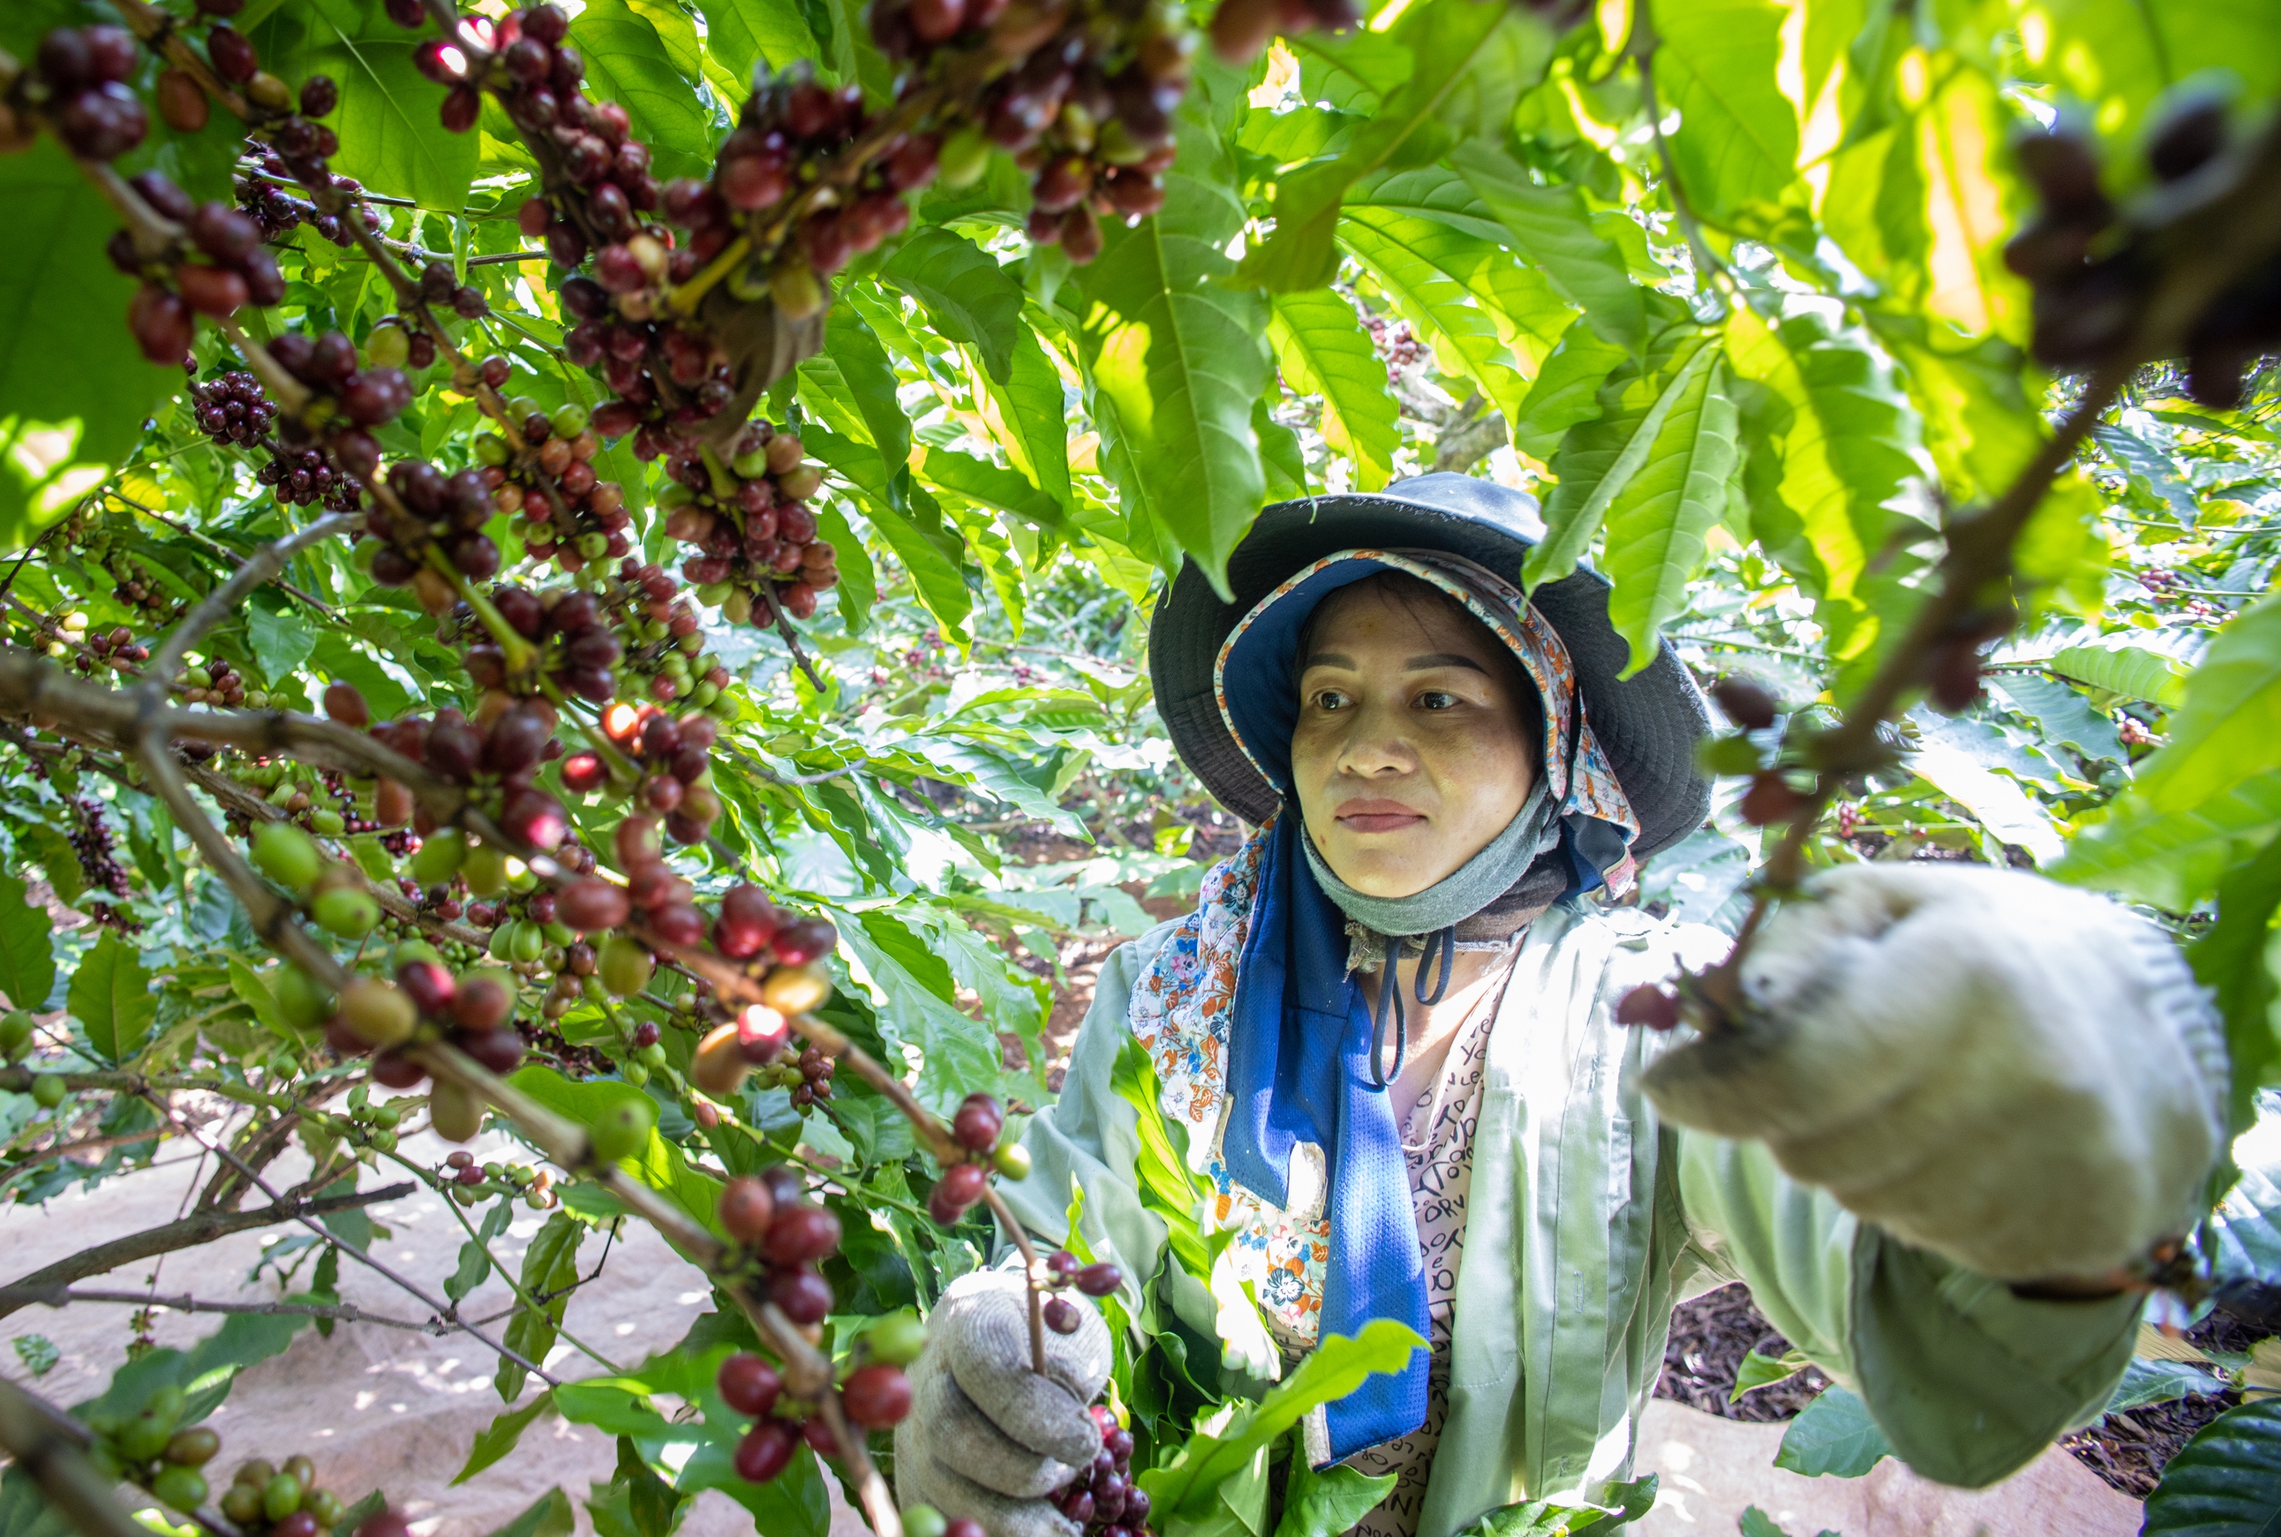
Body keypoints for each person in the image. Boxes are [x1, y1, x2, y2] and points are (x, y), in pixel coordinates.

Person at [892, 474, 2229, 1537]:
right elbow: (1063, 1263)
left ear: (1558, 753)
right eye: (1328, 698)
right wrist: (992, 1360)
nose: (1365, 744)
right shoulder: (1168, 990)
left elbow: (1872, 1253)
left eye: (1441, 696)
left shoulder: (1653, 1016)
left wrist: (2036, 1151)